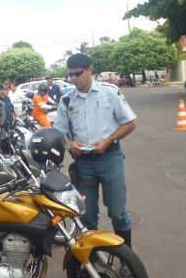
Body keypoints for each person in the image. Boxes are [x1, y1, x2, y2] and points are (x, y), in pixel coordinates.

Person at [53, 53, 137, 251]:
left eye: (78, 74)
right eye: (70, 75)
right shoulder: (67, 100)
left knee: (117, 212)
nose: (73, 78)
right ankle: (94, 262)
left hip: (109, 158)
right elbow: (59, 131)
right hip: (84, 164)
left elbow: (130, 123)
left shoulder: (110, 92)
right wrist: (69, 144)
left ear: (90, 70)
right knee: (87, 215)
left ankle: (127, 258)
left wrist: (109, 140)